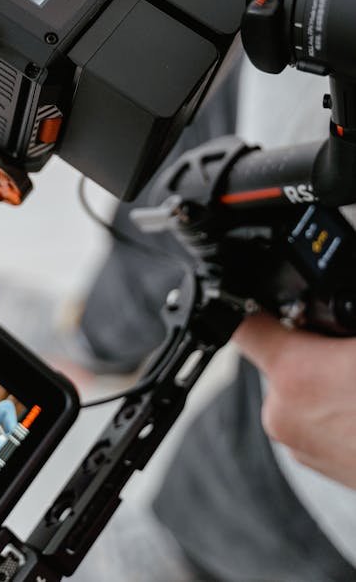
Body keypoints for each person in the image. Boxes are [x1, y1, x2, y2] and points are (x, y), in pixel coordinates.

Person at [77, 51, 356, 582]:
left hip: (309, 496)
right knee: (169, 213)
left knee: (219, 510)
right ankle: (94, 344)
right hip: (290, 74)